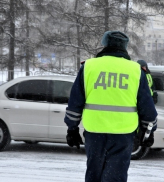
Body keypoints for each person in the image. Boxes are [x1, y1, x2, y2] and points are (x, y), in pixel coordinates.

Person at [64, 30, 157, 182]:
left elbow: (75, 102)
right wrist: (148, 132)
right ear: (125, 48)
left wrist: (72, 128)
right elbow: (147, 107)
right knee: (116, 175)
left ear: (105, 44)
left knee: (94, 173)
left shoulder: (89, 67)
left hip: (95, 132)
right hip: (123, 133)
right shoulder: (135, 70)